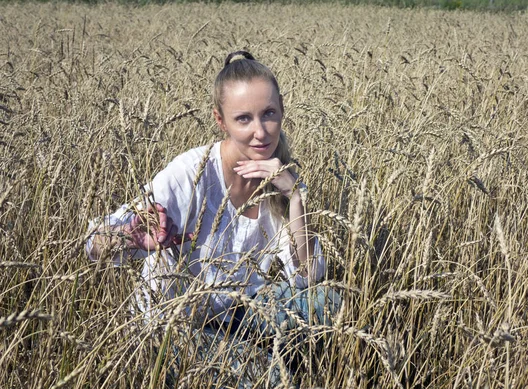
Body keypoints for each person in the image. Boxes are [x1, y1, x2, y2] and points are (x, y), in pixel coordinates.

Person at [86, 51, 339, 386]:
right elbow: (93, 244)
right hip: (175, 325)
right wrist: (130, 237)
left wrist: (295, 198)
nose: (261, 132)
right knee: (273, 380)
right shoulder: (191, 173)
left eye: (269, 114)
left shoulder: (280, 176)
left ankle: (258, 351)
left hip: (237, 310)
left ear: (282, 109)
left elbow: (308, 276)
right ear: (221, 121)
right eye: (243, 119)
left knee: (332, 304)